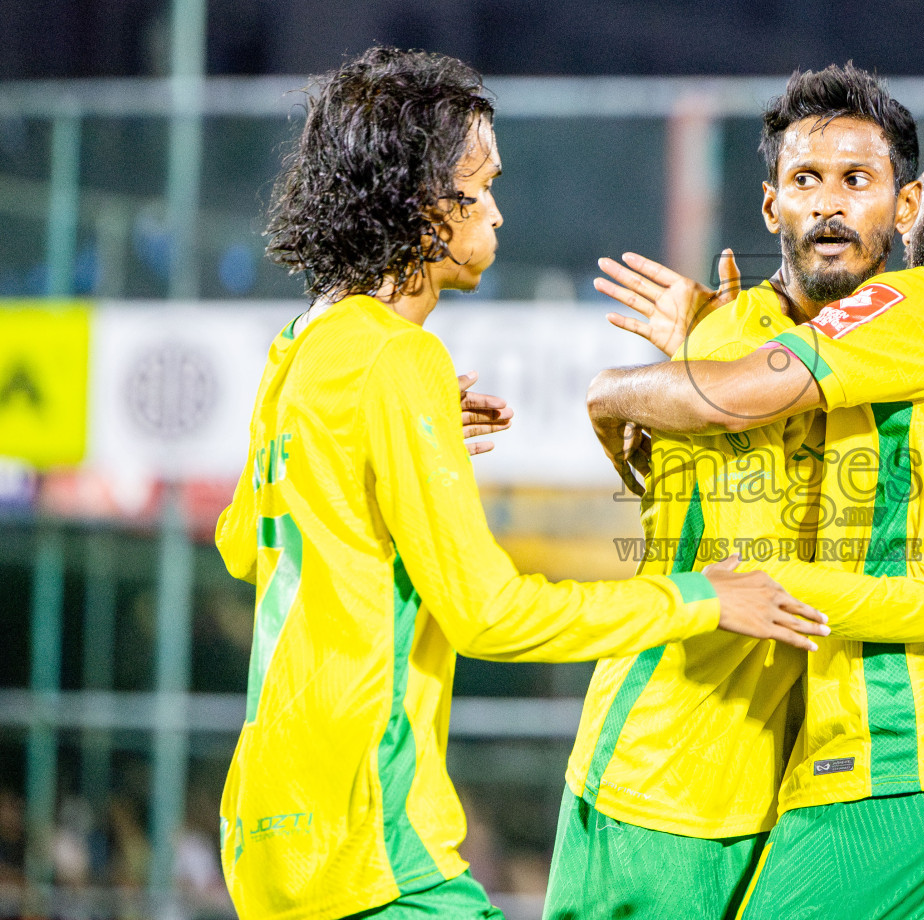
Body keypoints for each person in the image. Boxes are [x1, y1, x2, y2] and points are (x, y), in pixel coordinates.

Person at [212, 46, 828, 920]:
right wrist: (698, 598)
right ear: (423, 201)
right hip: (367, 838)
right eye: (483, 184)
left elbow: (248, 543)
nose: (498, 212)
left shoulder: (306, 345)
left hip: (269, 823)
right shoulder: (399, 358)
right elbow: (487, 614)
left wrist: (403, 453)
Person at [547, 68, 924, 920]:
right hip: (676, 781)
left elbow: (918, 546)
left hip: (851, 774)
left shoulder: (913, 329)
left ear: (916, 204)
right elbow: (758, 568)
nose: (830, 206)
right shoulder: (733, 339)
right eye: (805, 180)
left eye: (858, 181)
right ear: (772, 207)